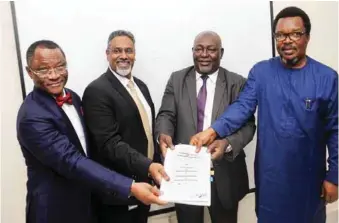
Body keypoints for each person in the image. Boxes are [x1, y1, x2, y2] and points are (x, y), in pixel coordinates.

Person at [190, 7, 338, 223]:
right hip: (271, 181)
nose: (287, 41)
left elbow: (336, 130)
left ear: (307, 37)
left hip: (309, 180)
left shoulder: (327, 77)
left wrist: (334, 176)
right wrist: (212, 132)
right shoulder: (261, 72)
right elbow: (242, 107)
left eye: (295, 34)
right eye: (280, 35)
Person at [16, 40, 167, 223]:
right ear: (29, 72)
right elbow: (72, 160)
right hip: (56, 209)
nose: (54, 75)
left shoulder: (74, 97)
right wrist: (129, 186)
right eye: (44, 70)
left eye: (60, 67)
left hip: (88, 203)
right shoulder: (32, 116)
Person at [155, 31, 256, 223]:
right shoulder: (176, 80)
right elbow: (166, 114)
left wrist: (227, 143)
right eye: (199, 49)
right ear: (193, 51)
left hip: (225, 174)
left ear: (221, 52)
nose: (204, 54)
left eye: (211, 50)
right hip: (185, 175)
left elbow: (249, 126)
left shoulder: (238, 83)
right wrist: (163, 134)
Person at [82, 30, 168, 223]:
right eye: (117, 51)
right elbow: (109, 143)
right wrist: (149, 166)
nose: (123, 56)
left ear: (134, 54)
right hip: (118, 194)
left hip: (145, 186)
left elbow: (144, 131)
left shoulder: (141, 86)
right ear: (107, 54)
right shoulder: (97, 91)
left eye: (128, 51)